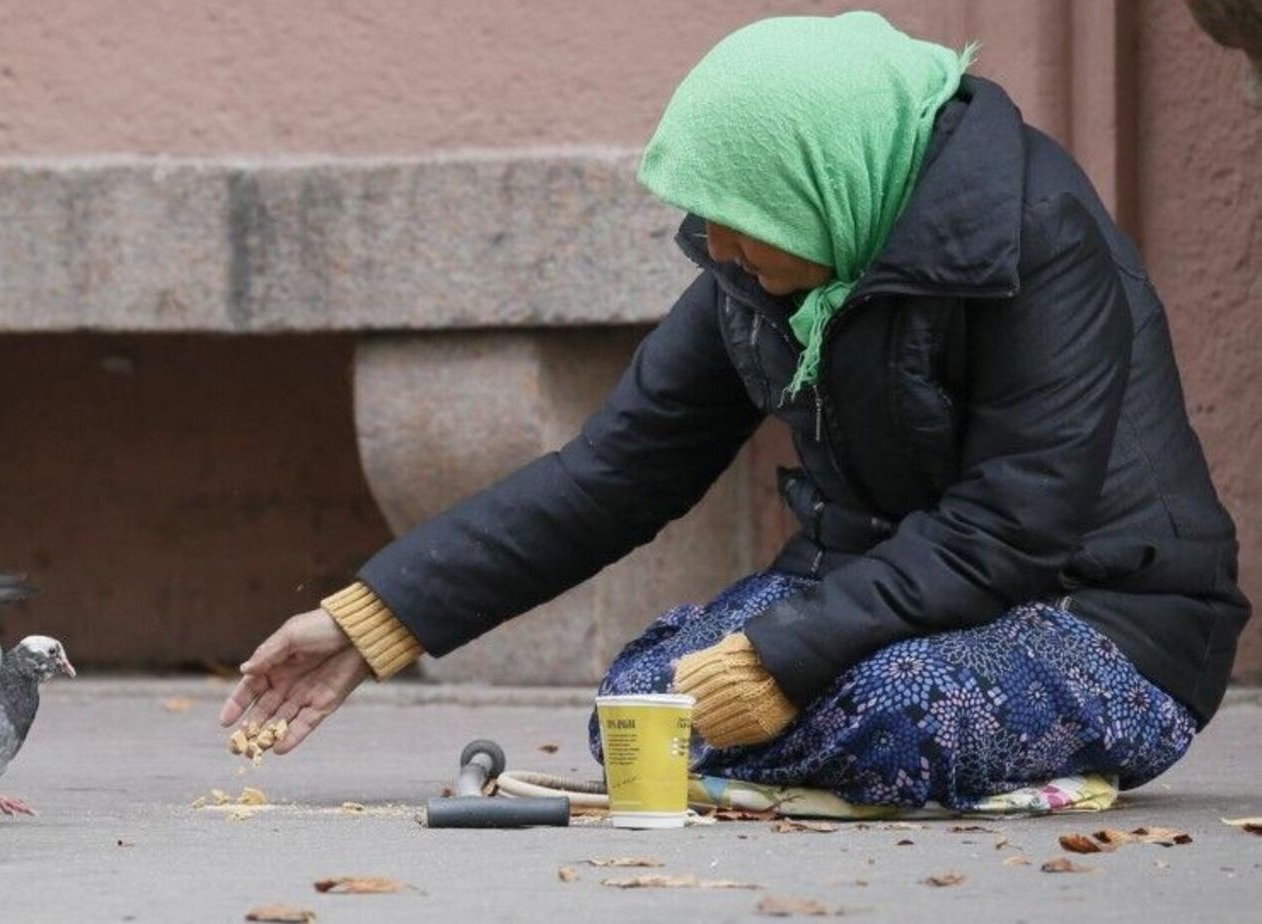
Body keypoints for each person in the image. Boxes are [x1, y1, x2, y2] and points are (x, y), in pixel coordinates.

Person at [219, 12, 1249, 809]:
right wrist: (373, 619)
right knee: (645, 708)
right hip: (889, 601)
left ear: (821, 181)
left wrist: (783, 655)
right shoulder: (764, 271)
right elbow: (616, 472)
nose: (714, 244)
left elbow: (1011, 528)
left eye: (739, 214)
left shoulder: (1040, 240)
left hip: (1101, 620)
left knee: (885, 716)